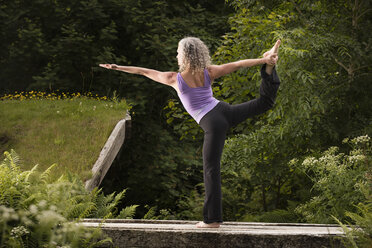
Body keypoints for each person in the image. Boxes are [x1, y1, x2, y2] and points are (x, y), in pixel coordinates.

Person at [99, 37, 281, 228]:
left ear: (184, 55)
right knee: (264, 103)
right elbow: (236, 64)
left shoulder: (173, 78)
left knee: (211, 169)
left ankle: (212, 220)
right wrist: (264, 61)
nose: (176, 54)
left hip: (213, 123)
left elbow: (144, 71)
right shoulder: (209, 72)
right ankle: (269, 69)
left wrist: (118, 67)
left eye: (178, 51)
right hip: (225, 111)